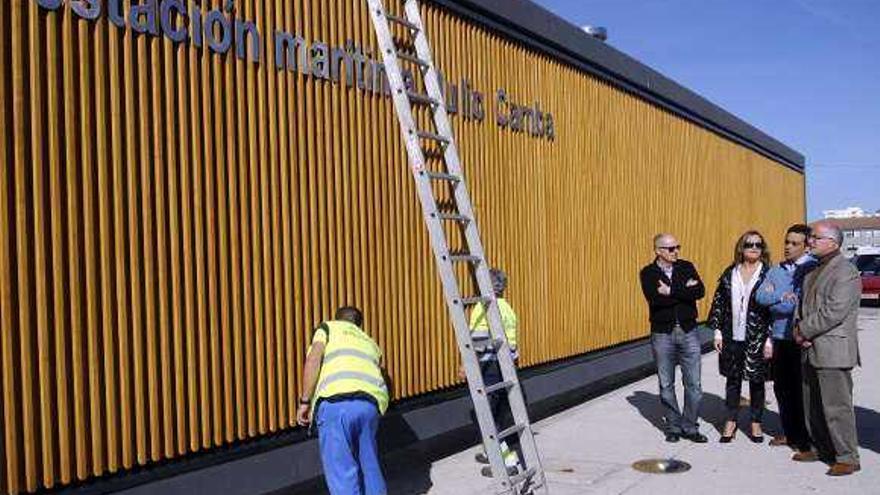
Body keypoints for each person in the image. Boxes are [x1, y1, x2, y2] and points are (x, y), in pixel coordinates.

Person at [296, 306, 389, 495]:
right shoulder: (369, 342)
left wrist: (305, 401)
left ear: (337, 319)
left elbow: (314, 358)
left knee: (342, 472)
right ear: (358, 324)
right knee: (369, 467)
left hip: (336, 405)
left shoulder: (328, 328)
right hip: (369, 406)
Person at [794, 221, 862, 476]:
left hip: (833, 350)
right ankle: (820, 448)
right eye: (810, 236)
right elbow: (801, 308)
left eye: (815, 237)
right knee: (812, 404)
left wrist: (804, 330)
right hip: (809, 347)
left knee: (837, 407)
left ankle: (847, 456)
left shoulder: (846, 271)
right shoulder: (812, 271)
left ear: (833, 243)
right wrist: (797, 329)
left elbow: (835, 311)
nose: (809, 241)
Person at [755, 224, 817, 455]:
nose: (788, 247)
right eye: (786, 242)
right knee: (782, 388)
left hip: (801, 338)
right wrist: (782, 296)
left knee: (803, 391)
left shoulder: (812, 269)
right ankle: (790, 433)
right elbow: (761, 296)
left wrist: (781, 301)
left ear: (806, 245)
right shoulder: (776, 270)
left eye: (794, 243)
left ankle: (806, 438)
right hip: (780, 337)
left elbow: (800, 304)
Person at [639, 234, 707, 443]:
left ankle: (690, 426)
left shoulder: (686, 266)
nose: (676, 251)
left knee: (693, 384)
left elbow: (700, 291)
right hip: (662, 333)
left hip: (688, 331)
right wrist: (684, 291)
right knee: (666, 384)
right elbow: (655, 299)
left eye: (677, 247)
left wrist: (670, 291)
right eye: (670, 248)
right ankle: (673, 426)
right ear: (658, 251)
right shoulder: (648, 273)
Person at [709, 230, 773, 443]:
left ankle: (756, 422)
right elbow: (719, 303)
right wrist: (717, 332)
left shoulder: (768, 274)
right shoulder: (730, 273)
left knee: (757, 381)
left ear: (762, 249)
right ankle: (731, 420)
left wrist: (770, 339)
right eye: (749, 244)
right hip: (731, 335)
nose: (754, 248)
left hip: (758, 337)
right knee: (732, 380)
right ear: (741, 247)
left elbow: (775, 309)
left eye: (758, 244)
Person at [468, 268, 523, 477]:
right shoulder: (508, 309)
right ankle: (493, 452)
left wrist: (467, 366)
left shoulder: (483, 308)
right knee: (498, 413)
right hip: (505, 367)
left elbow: (477, 341)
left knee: (489, 417)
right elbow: (513, 346)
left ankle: (508, 462)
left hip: (488, 367)